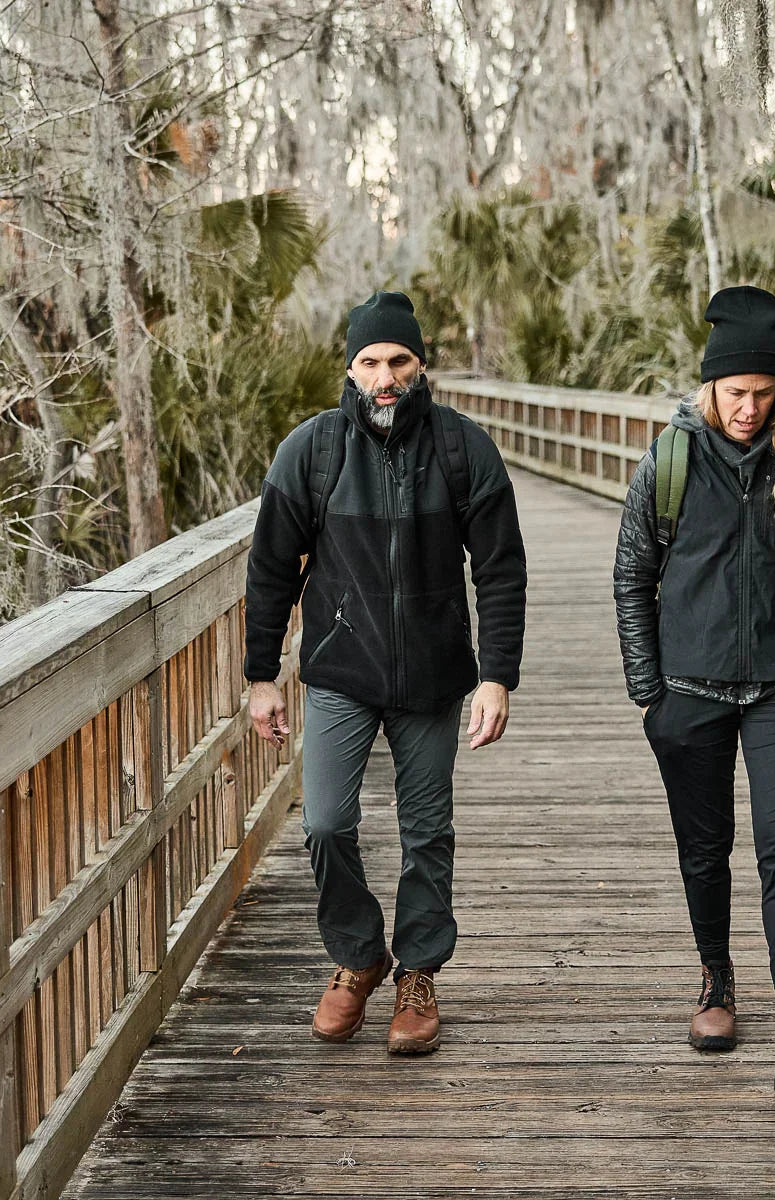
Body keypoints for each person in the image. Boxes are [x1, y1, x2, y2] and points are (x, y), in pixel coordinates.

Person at [244, 290, 527, 1054]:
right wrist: (261, 673)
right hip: (340, 670)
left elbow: (501, 569)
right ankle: (360, 955)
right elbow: (270, 568)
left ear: (420, 362)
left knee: (427, 832)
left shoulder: (464, 449)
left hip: (434, 674)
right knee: (327, 823)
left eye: (398, 360)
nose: (385, 375)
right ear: (350, 367)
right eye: (370, 361)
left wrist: (498, 674)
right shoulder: (312, 450)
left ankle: (418, 975)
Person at [613, 285, 775, 1092]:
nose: (749, 408)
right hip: (689, 687)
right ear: (710, 387)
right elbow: (632, 574)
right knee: (705, 848)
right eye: (735, 392)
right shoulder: (671, 460)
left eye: (762, 392)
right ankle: (716, 981)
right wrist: (650, 690)